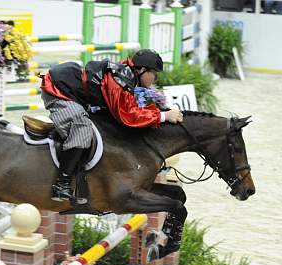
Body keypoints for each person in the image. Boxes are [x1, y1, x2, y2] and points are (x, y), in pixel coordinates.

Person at [40, 49, 184, 203]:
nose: (155, 78)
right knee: (82, 130)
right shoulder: (120, 80)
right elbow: (128, 116)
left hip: (74, 93)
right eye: (154, 73)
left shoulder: (129, 77)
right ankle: (61, 185)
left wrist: (162, 112)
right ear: (142, 70)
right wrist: (163, 116)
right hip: (59, 90)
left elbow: (132, 108)